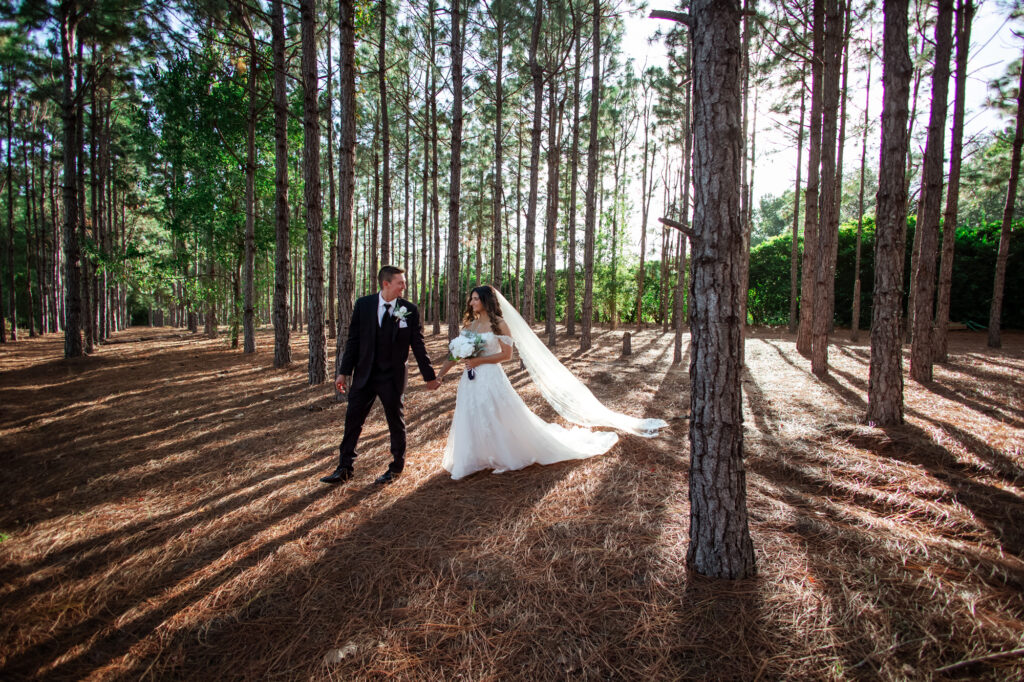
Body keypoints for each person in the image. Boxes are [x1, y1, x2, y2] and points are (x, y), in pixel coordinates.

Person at [435, 285, 666, 480]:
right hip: (470, 378)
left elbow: (507, 356)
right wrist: (440, 375)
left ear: (486, 301)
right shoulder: (469, 326)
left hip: (490, 377)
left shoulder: (499, 324)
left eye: (476, 298)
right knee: (471, 414)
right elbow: (455, 354)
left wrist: (479, 360)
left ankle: (504, 453)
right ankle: (474, 455)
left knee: (498, 414)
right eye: (471, 298)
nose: (472, 302)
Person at [320, 266, 439, 486]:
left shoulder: (409, 309)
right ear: (386, 283)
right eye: (400, 282)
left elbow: (418, 345)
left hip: (392, 378)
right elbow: (353, 341)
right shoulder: (363, 305)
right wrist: (344, 372)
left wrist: (429, 377)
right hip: (364, 375)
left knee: (396, 422)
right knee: (352, 421)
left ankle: (395, 468)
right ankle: (344, 468)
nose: (404, 286)